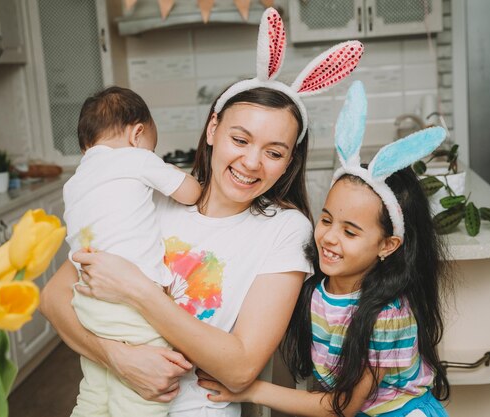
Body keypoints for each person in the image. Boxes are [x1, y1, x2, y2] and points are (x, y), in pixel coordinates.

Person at [40, 8, 363, 417]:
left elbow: (242, 367)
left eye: (274, 152)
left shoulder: (286, 229)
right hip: (112, 394)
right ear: (213, 130)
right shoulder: (147, 195)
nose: (251, 162)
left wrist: (138, 291)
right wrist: (117, 358)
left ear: (288, 163)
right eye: (240, 139)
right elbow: (53, 298)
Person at [198, 82, 451, 417]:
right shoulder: (318, 291)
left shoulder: (385, 315)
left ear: (387, 246)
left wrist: (252, 389)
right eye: (327, 220)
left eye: (350, 231)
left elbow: (341, 406)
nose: (330, 238)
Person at [63, 86, 202, 417]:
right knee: (139, 402)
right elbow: (191, 193)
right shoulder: (136, 157)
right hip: (130, 306)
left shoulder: (76, 180)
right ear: (137, 133)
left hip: (87, 300)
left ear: (87, 146)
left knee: (95, 391)